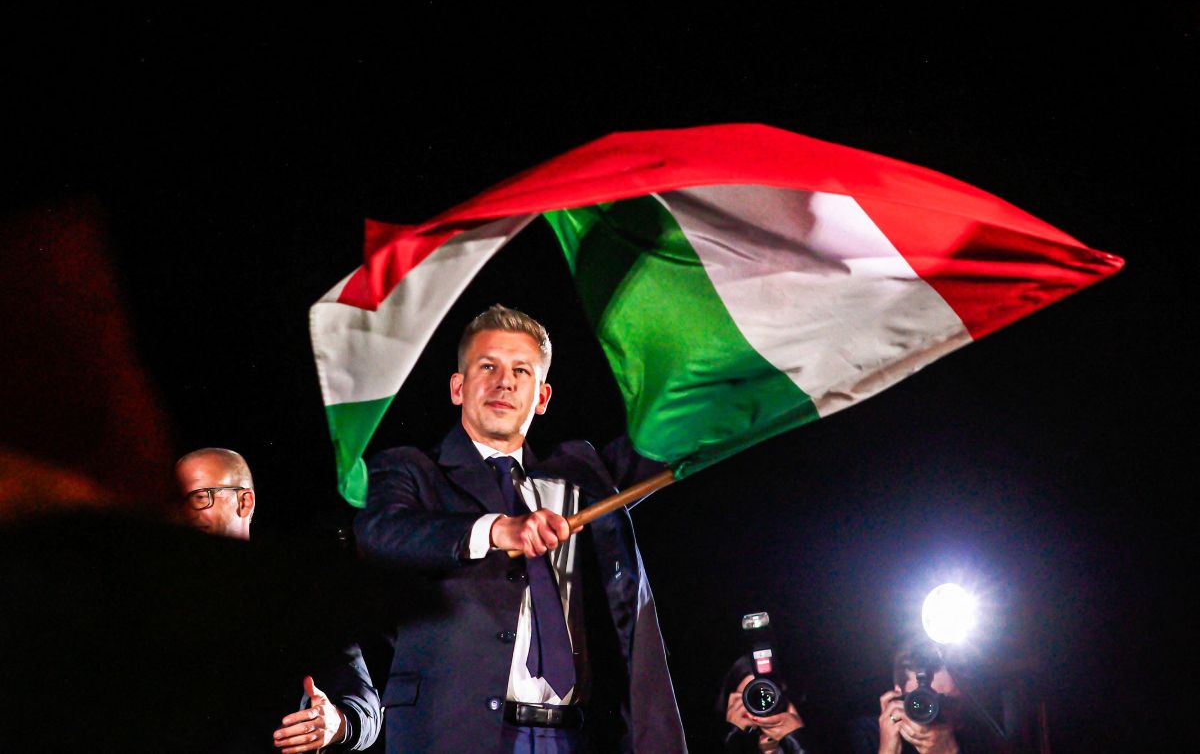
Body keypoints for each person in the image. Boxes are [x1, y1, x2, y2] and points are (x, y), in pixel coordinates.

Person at [354, 304, 687, 753]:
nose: (504, 382)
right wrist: (495, 530)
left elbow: (675, 435)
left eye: (521, 371)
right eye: (487, 366)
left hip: (572, 737)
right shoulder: (411, 470)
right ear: (458, 387)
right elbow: (381, 532)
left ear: (542, 397)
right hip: (452, 734)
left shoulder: (581, 474)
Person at [176, 448, 382, 752]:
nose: (186, 513)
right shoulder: (154, 602)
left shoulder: (299, 600)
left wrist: (336, 724)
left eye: (200, 497)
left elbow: (364, 704)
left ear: (245, 502)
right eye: (177, 500)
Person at [849, 642, 996, 754]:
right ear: (898, 695)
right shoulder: (868, 735)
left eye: (947, 702)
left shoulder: (979, 737)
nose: (933, 710)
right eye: (921, 700)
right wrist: (887, 750)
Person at [717, 655, 820, 754]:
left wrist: (798, 744)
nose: (763, 709)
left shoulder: (819, 731)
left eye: (769, 695)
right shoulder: (730, 738)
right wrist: (733, 741)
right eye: (753, 699)